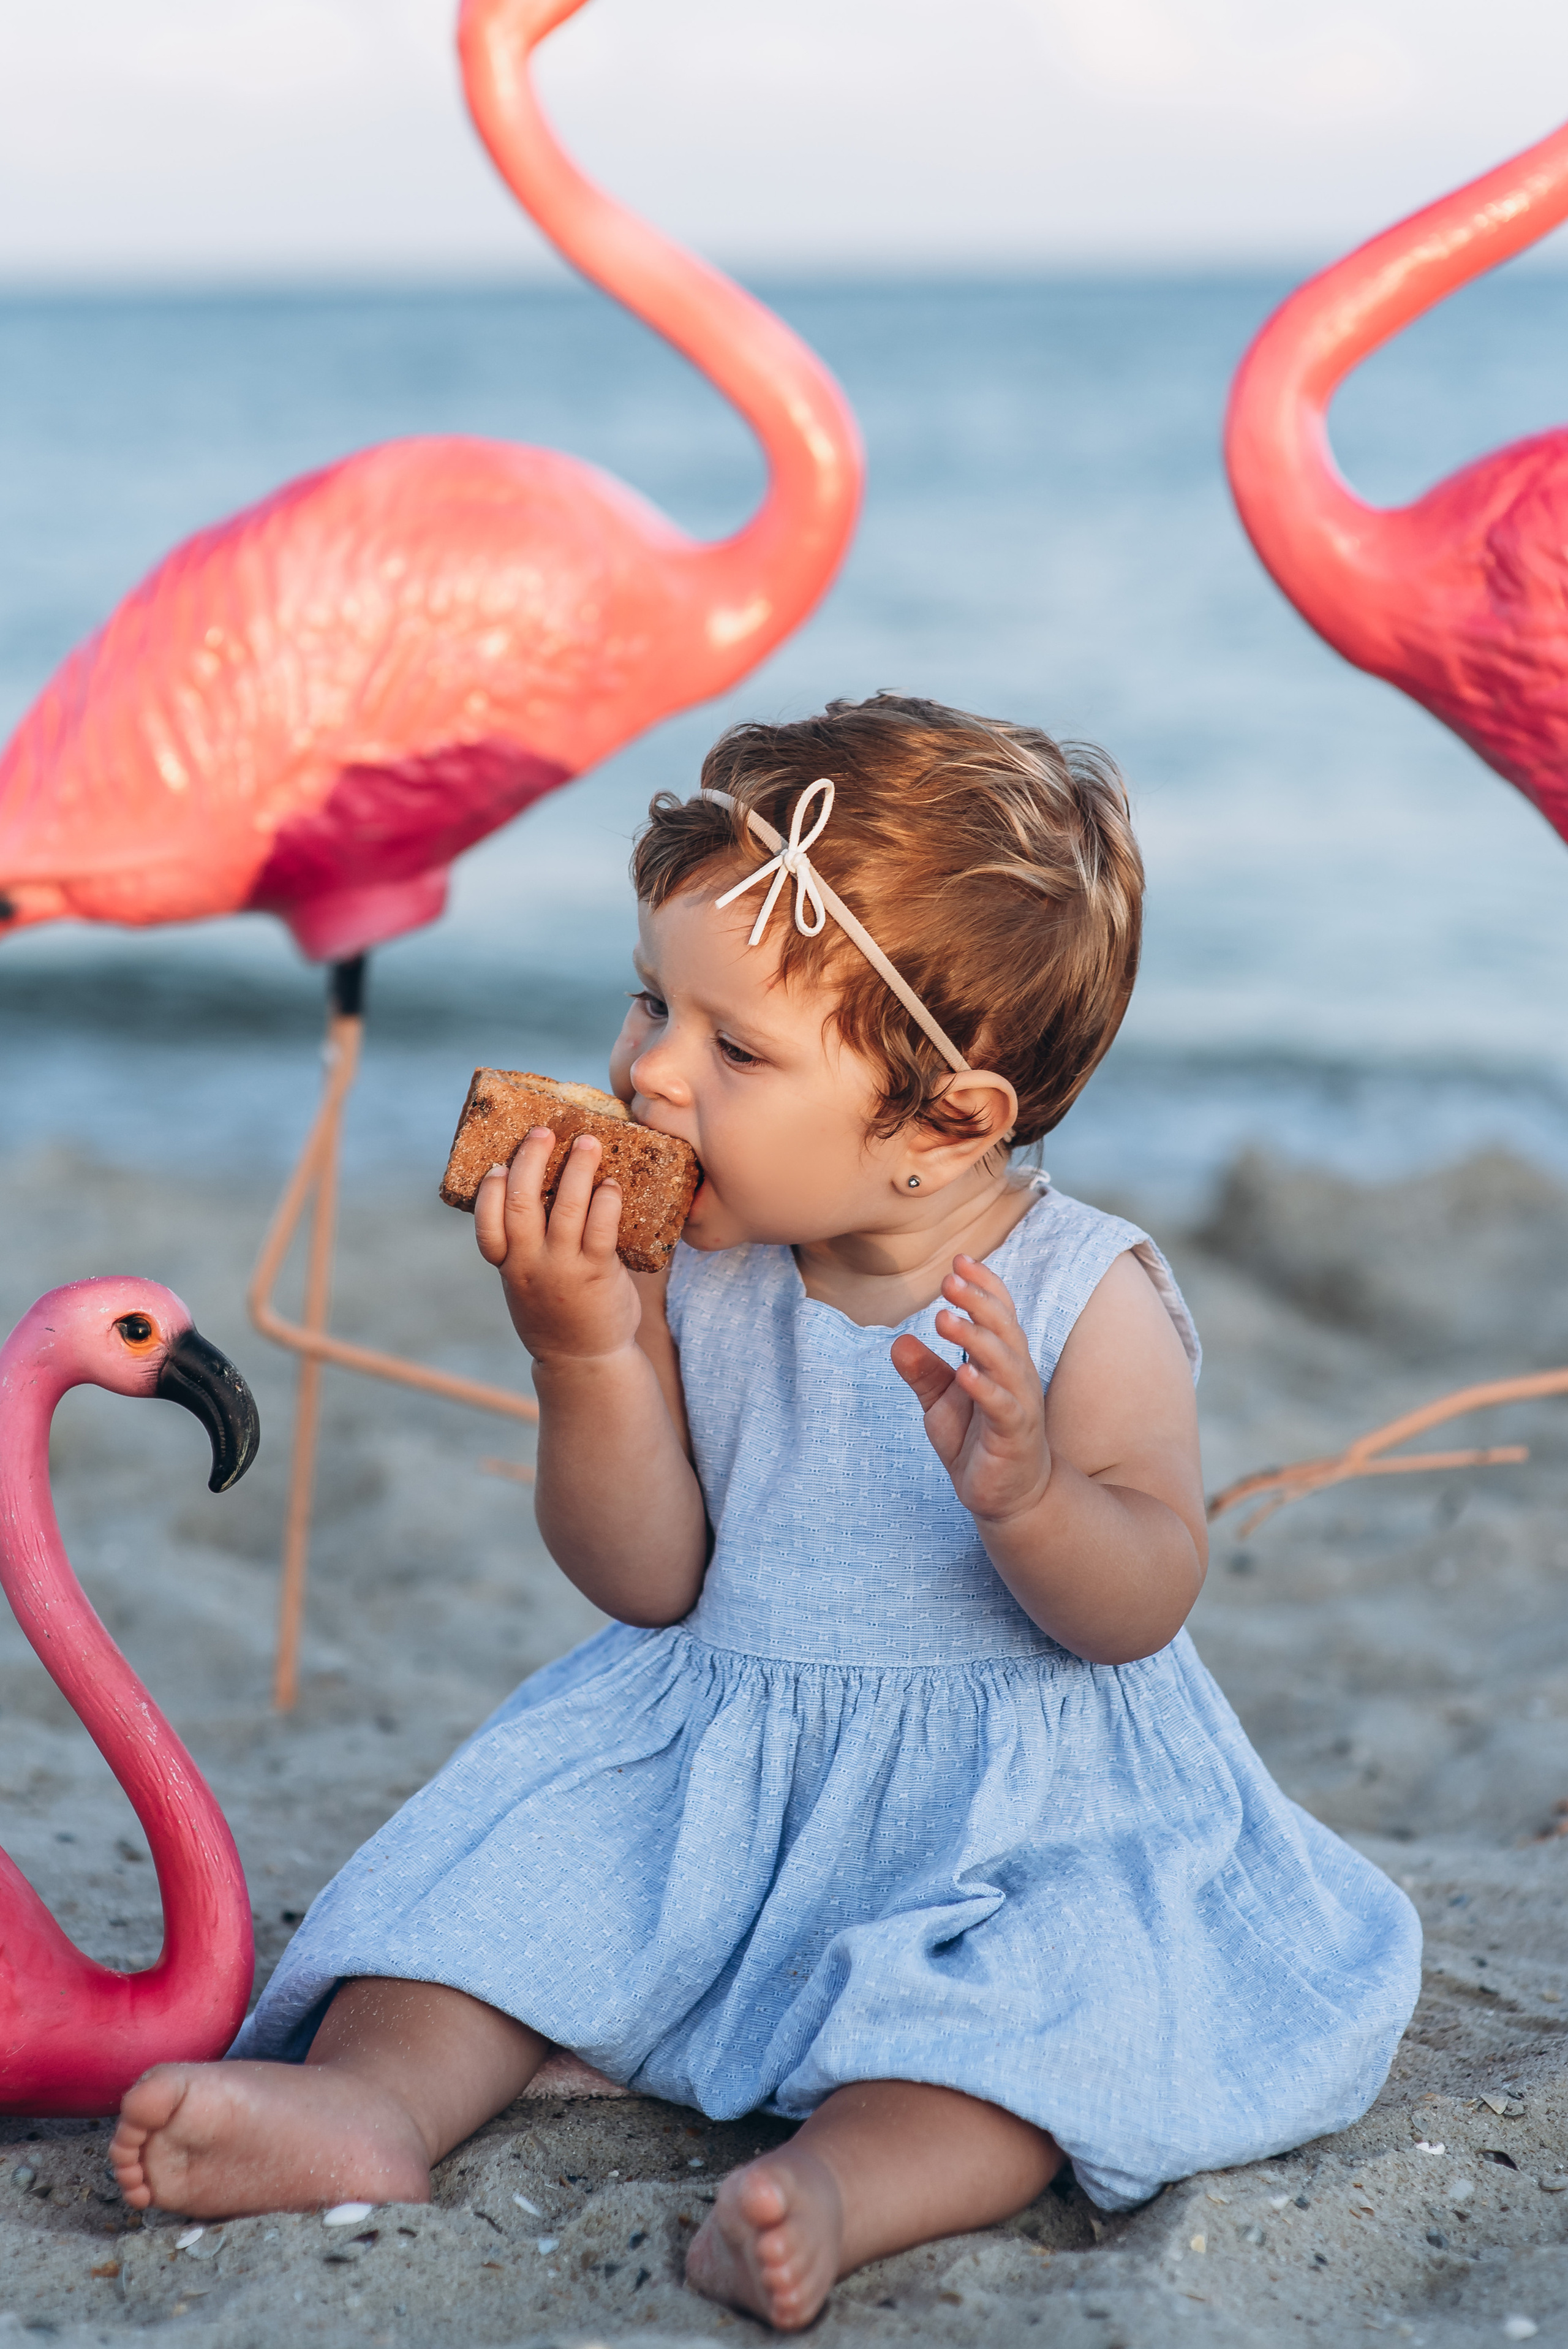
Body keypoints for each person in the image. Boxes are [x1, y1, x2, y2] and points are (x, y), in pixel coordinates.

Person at [110, 695, 1420, 2331]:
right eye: (654, 1000)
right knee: (483, 1891)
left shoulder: (1088, 1297)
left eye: (734, 1048)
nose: (648, 1069)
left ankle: (848, 2182)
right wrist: (584, 1346)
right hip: (718, 1759)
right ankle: (375, 2101)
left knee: (1033, 2007)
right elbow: (646, 1575)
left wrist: (1030, 1493)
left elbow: (1143, 1591)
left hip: (1008, 1799)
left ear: (950, 1122)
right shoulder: (711, 1270)